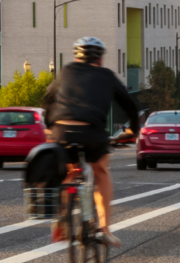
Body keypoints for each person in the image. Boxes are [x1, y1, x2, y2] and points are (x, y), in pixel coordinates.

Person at [41, 37, 139, 247]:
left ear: (76, 56)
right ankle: (104, 229)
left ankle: (61, 220)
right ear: (101, 58)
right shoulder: (106, 75)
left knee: (69, 171)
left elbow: (48, 99)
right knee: (100, 170)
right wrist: (133, 130)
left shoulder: (65, 71)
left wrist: (49, 127)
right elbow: (129, 104)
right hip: (91, 132)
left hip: (62, 130)